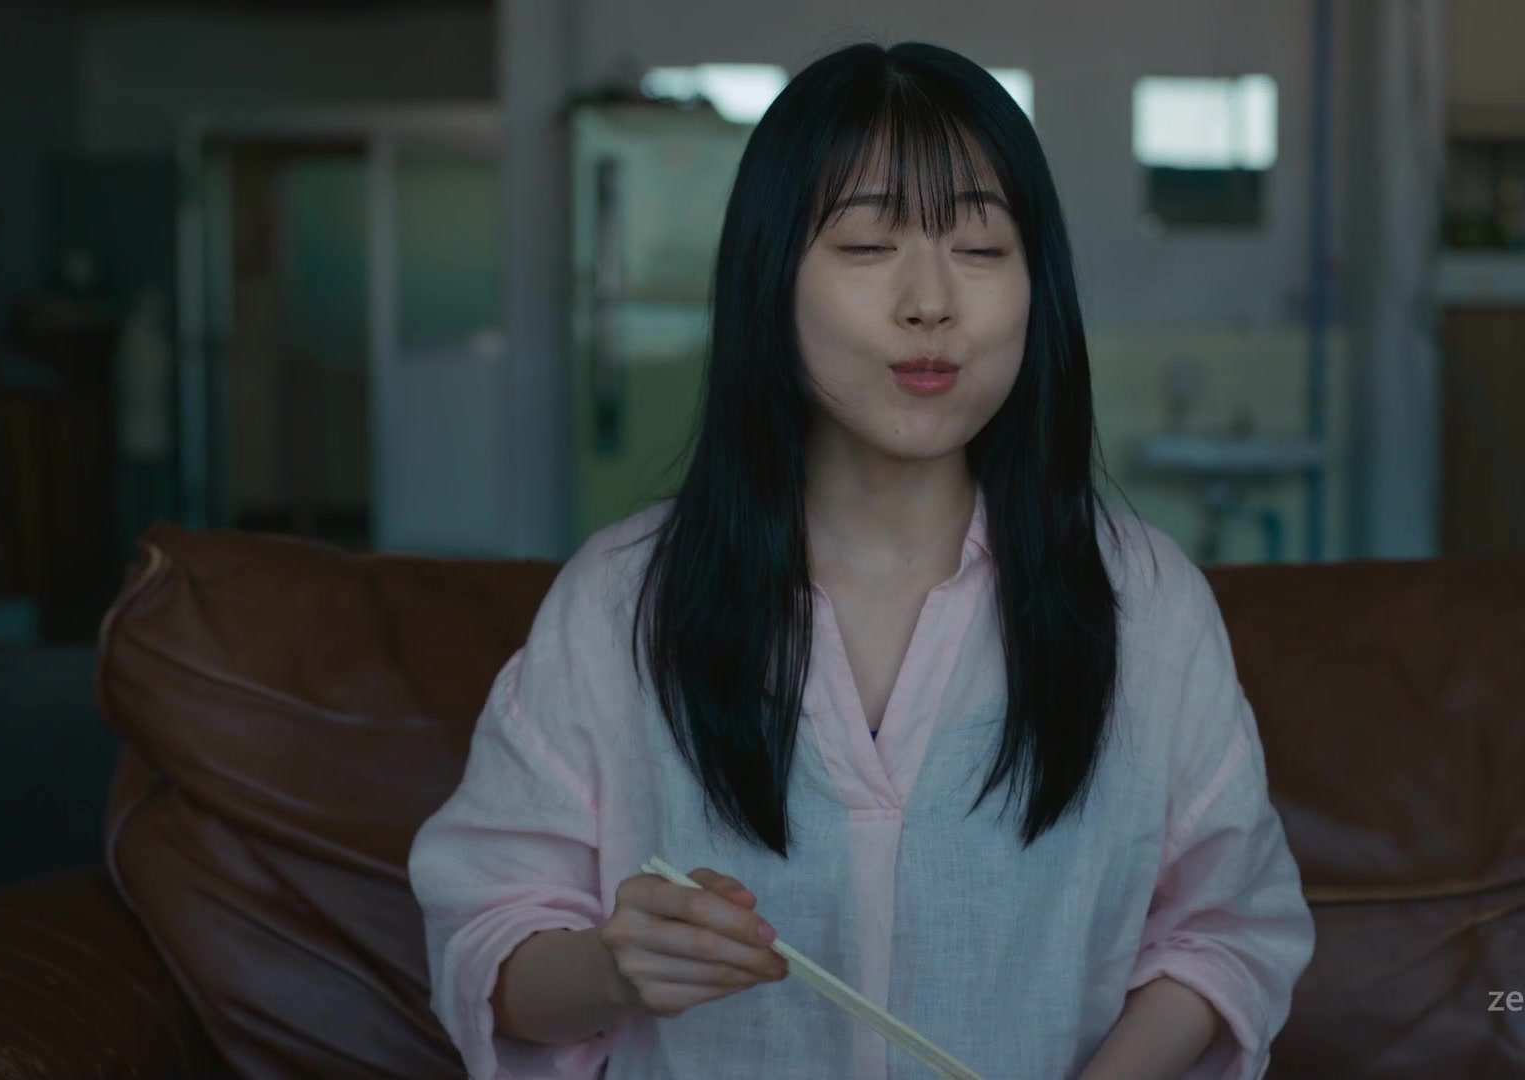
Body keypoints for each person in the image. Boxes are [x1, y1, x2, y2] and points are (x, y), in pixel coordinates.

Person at [409, 40, 1313, 1080]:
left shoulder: (1143, 605)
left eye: (981, 248)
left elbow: (1226, 930)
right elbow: (491, 945)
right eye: (867, 245)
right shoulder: (623, 601)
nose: (931, 302)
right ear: (770, 282)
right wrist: (614, 967)